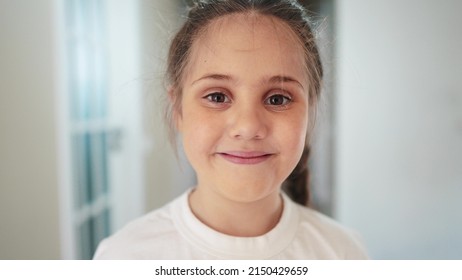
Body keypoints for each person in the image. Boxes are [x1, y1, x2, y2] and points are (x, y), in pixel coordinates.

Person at [94, 0, 368, 259]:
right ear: (178, 109)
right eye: (217, 97)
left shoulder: (343, 254)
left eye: (278, 99)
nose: (248, 127)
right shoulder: (124, 257)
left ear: (309, 111)